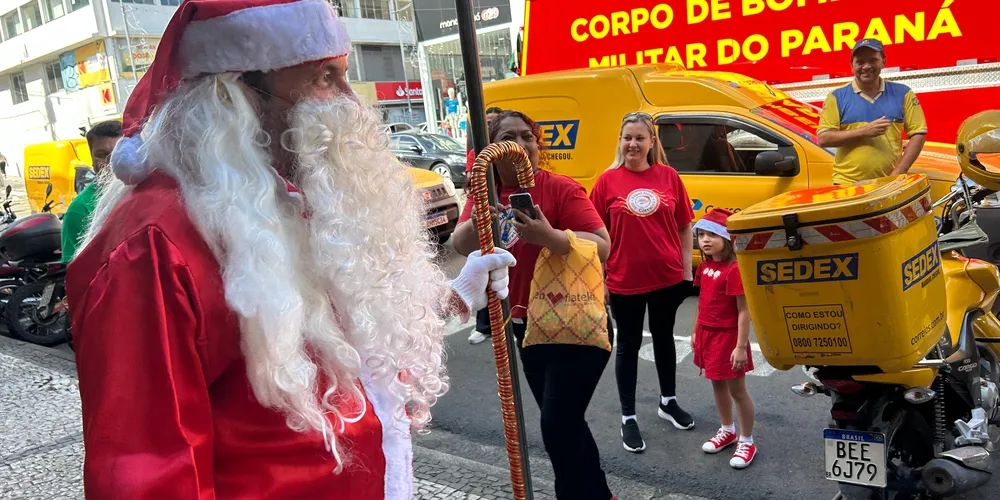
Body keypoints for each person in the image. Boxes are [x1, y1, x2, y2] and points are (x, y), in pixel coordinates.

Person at [64, 1, 516, 498]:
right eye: (325, 77)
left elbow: (350, 344)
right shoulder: (153, 242)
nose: (351, 101)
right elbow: (146, 474)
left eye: (344, 75)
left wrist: (456, 295)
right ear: (233, 94)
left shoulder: (298, 195)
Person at [451, 110, 616, 500]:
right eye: (511, 137)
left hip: (574, 321)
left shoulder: (561, 188)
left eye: (529, 136)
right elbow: (459, 244)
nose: (524, 145)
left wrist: (551, 237)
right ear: (493, 150)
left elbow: (602, 244)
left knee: (557, 426)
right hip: (525, 328)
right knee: (565, 424)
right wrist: (479, 223)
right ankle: (598, 493)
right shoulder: (483, 194)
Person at [590, 111, 695, 454]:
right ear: (620, 142)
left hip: (667, 278)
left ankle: (668, 401)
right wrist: (601, 280)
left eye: (639, 138)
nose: (633, 144)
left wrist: (686, 271)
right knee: (628, 348)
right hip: (624, 281)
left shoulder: (668, 176)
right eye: (627, 138)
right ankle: (628, 416)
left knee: (665, 341)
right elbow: (595, 237)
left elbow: (683, 226)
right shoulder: (606, 182)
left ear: (652, 142)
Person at [690, 208, 757, 469]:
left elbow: (744, 311)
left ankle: (747, 440)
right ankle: (727, 430)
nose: (705, 240)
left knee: (737, 391)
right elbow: (702, 303)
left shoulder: (734, 269)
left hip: (728, 338)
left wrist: (741, 346)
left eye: (712, 235)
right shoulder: (705, 267)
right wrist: (695, 330)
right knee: (716, 384)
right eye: (701, 235)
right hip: (708, 334)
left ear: (726, 239)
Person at [817, 38, 928, 185]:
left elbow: (918, 133)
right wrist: (864, 131)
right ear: (852, 65)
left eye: (873, 60)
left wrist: (899, 172)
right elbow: (824, 138)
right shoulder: (837, 97)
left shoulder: (903, 93)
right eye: (860, 62)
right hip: (847, 184)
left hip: (888, 183)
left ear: (883, 61)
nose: (866, 66)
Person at [466, 105, 504, 345]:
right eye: (486, 122)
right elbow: (471, 182)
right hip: (485, 214)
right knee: (484, 269)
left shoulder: (507, 150)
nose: (489, 127)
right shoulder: (476, 153)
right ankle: (484, 325)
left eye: (494, 122)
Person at [61, 120, 122, 263]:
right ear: (91, 159)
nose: (110, 161)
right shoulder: (79, 210)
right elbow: (73, 271)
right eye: (102, 154)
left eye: (118, 152)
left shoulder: (147, 193)